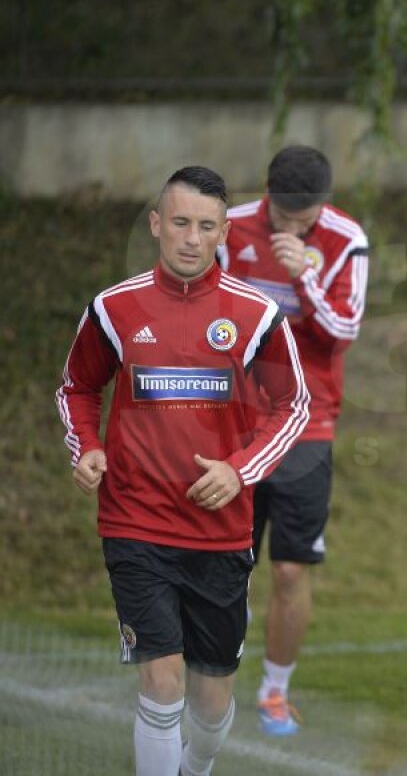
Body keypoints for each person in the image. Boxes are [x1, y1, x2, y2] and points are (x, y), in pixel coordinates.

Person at [55, 166, 310, 776]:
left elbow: (292, 406)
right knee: (162, 683)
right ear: (155, 225)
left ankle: (197, 765)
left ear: (223, 232)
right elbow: (78, 387)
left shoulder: (255, 315)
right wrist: (86, 445)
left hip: (219, 532)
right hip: (134, 522)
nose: (191, 238)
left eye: (205, 226)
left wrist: (240, 470)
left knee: (210, 700)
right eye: (179, 223)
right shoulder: (114, 308)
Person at [218, 145, 368, 736]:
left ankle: (275, 693)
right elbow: (214, 315)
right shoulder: (231, 228)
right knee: (229, 564)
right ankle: (216, 680)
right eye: (283, 215)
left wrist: (304, 271)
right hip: (236, 421)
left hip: (308, 425)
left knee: (288, 571)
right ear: (266, 192)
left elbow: (343, 332)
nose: (290, 226)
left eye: (303, 219)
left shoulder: (344, 240)